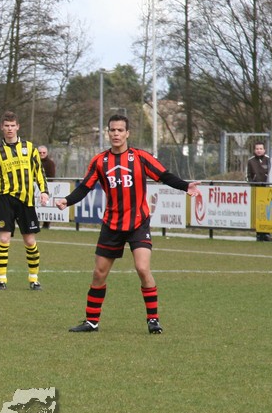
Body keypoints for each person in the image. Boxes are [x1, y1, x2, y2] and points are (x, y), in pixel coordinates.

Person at [55, 113, 200, 335]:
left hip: (138, 223)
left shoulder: (141, 157)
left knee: (142, 268)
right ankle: (91, 321)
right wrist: (67, 200)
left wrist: (185, 186)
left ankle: (153, 320)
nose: (116, 134)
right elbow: (85, 187)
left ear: (127, 133)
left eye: (120, 130)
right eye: (112, 130)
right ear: (108, 133)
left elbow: (164, 175)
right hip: (111, 224)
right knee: (99, 273)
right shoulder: (100, 161)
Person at [0, 111, 49, 290]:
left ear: (18, 127)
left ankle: (34, 279)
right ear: (2, 127)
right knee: (4, 239)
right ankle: (1, 279)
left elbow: (39, 172)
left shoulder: (30, 148)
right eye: (7, 126)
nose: (10, 129)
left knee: (30, 241)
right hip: (5, 198)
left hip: (26, 200)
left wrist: (44, 191)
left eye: (13, 126)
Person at [246, 142, 272, 241]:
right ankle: (259, 233)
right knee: (258, 212)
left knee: (267, 211)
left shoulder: (269, 159)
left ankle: (267, 233)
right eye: (257, 149)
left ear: (264, 150)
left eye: (261, 148)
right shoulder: (250, 161)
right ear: (254, 150)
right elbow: (247, 175)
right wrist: (252, 184)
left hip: (267, 190)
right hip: (256, 190)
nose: (259, 150)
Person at [38, 144, 57, 229]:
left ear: (47, 153)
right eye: (40, 152)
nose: (42, 154)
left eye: (43, 152)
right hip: (35, 187)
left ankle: (46, 224)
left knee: (46, 206)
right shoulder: (33, 162)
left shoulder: (50, 163)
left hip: (46, 187)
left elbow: (51, 176)